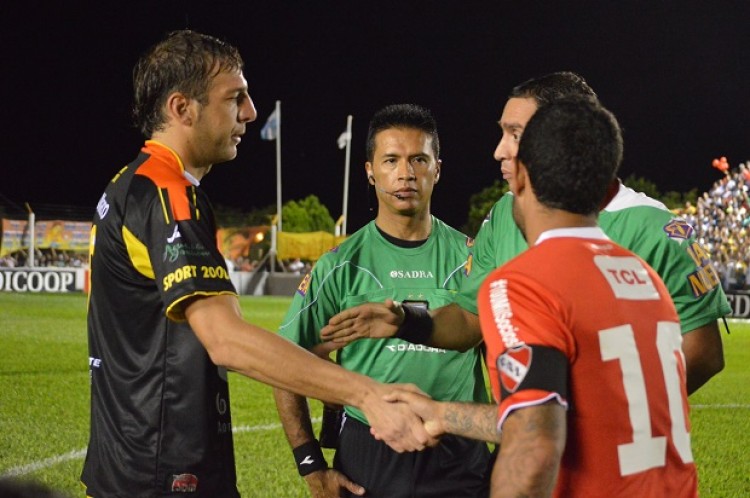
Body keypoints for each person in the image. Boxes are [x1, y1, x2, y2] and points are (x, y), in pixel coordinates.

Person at [81, 30, 433, 498]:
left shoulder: (129, 184)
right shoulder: (170, 195)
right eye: (235, 98)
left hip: (128, 457)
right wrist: (366, 393)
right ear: (182, 108)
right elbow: (226, 341)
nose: (249, 111)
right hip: (162, 469)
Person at [321, 71, 730, 395]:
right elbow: (471, 318)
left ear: (564, 136)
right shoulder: (505, 213)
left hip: (599, 453)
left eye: (514, 134)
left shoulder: (654, 228)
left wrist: (597, 419)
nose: (499, 150)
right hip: (530, 437)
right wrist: (406, 321)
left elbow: (703, 353)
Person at [391, 97, 698, 496]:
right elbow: (570, 410)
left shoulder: (523, 283)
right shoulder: (643, 275)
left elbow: (533, 443)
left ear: (520, 178)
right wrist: (442, 414)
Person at [273, 104, 491, 498]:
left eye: (418, 159)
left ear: (437, 169)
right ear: (370, 171)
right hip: (369, 451)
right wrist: (311, 465)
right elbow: (286, 365)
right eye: (391, 160)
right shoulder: (338, 266)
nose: (406, 173)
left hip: (459, 451)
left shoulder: (474, 258)